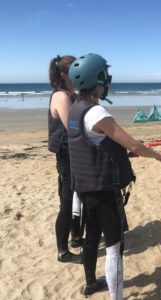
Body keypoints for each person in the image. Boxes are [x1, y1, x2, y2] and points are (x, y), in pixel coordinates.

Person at [67, 53, 161, 299]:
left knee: (92, 236)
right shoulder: (97, 112)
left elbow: (97, 143)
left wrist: (125, 150)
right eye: (104, 77)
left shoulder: (75, 109)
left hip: (85, 186)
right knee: (114, 247)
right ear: (98, 79)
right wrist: (157, 155)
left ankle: (90, 283)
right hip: (103, 187)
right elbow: (133, 145)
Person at [48, 55, 84, 263]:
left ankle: (77, 237)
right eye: (74, 70)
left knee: (79, 197)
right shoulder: (62, 96)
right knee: (67, 202)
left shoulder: (72, 94)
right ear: (63, 74)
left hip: (75, 153)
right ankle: (63, 251)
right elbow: (73, 128)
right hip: (67, 156)